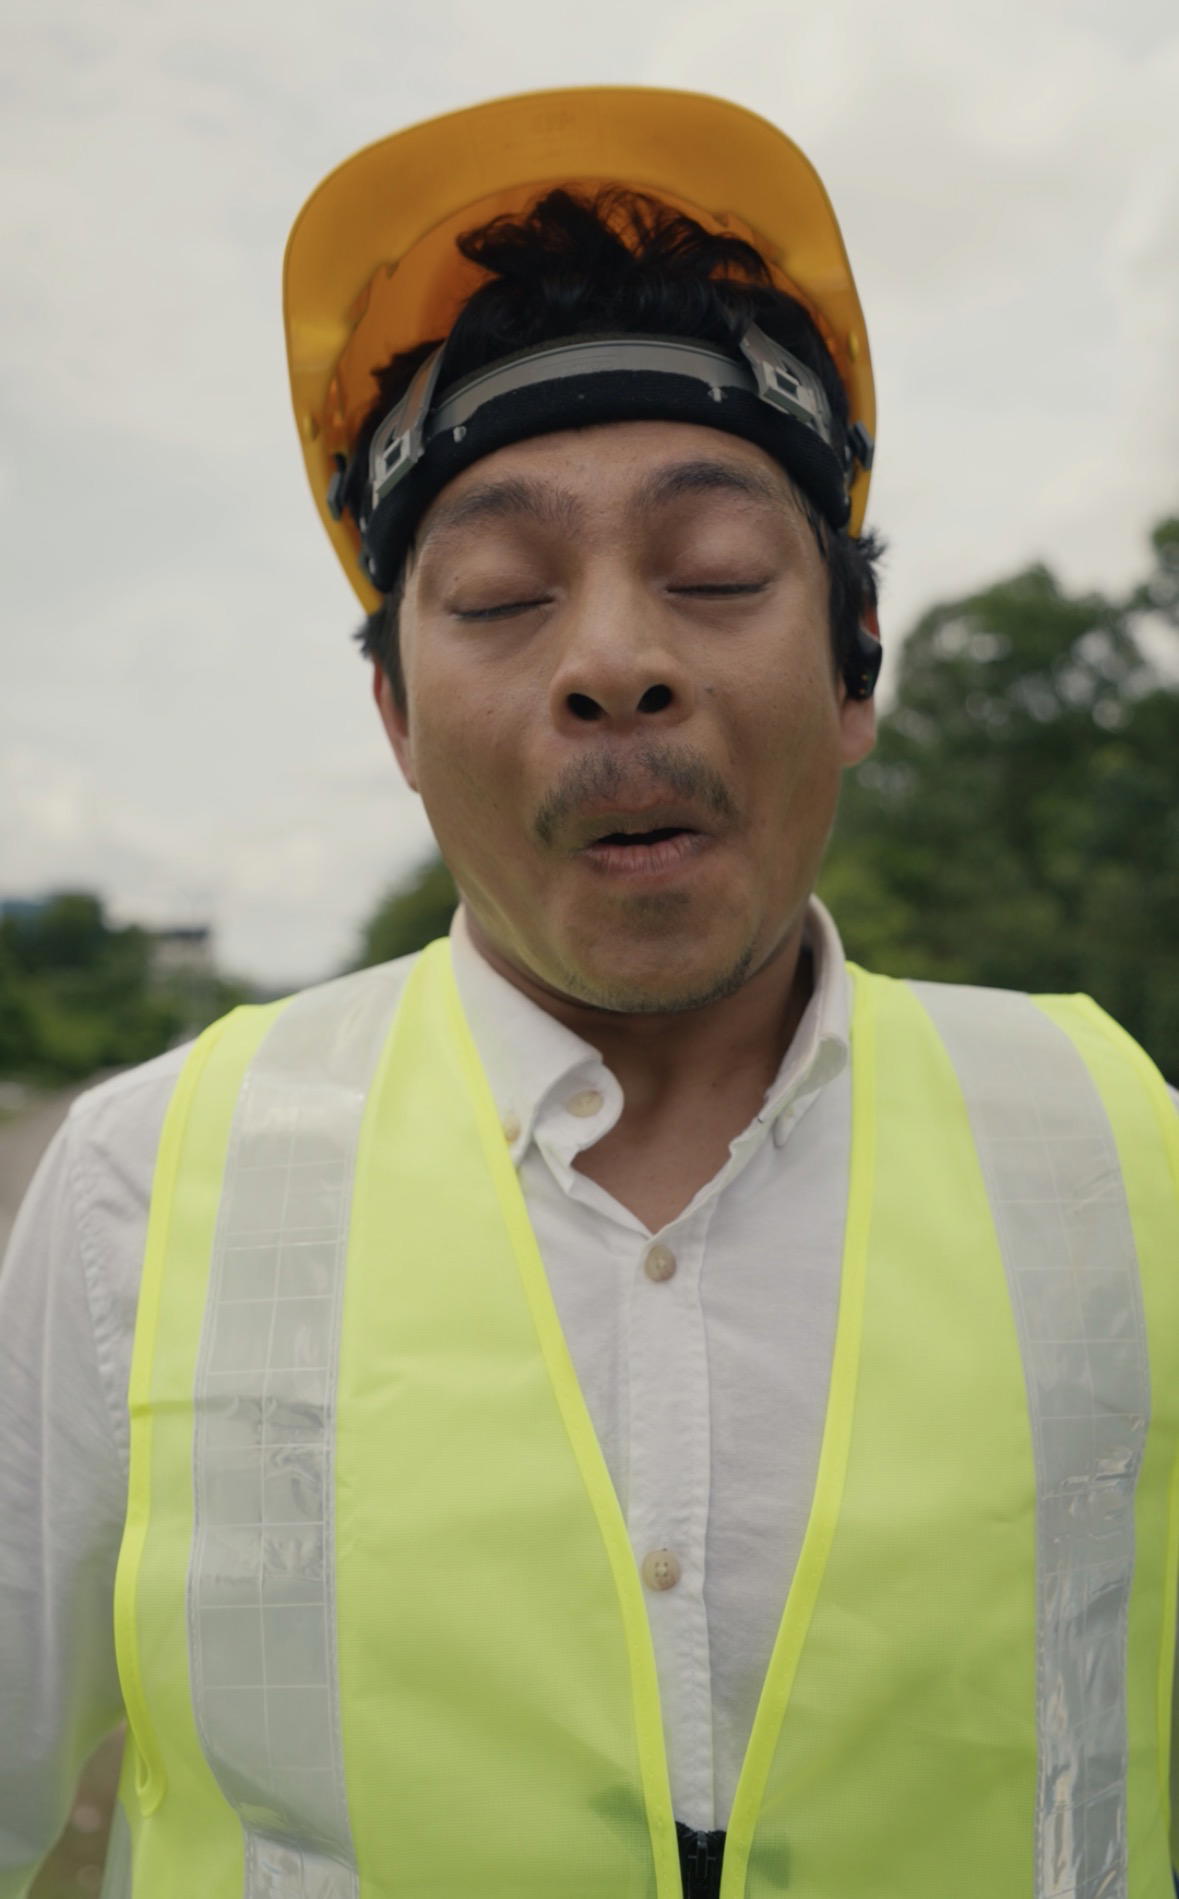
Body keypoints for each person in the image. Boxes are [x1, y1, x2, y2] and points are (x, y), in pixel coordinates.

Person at [1, 86, 1177, 1899]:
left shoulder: (1124, 1150)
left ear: (856, 675)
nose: (616, 661)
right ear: (394, 720)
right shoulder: (140, 1189)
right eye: (495, 597)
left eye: (713, 575)